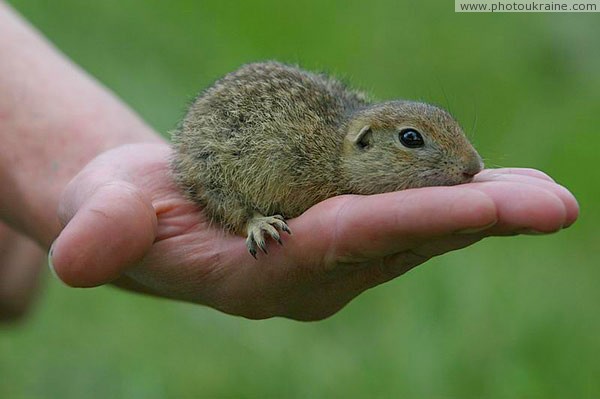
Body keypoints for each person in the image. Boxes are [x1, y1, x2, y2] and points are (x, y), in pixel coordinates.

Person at [0, 1, 579, 322]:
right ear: (365, 143)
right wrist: (251, 219)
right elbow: (212, 162)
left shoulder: (353, 159)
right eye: (413, 142)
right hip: (231, 167)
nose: (467, 167)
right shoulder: (298, 163)